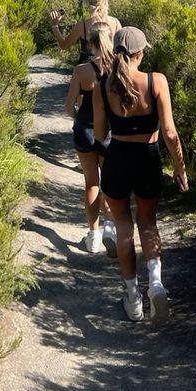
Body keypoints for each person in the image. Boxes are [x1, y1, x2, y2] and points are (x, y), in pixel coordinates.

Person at [93, 26, 188, 324]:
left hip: (117, 159)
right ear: (140, 53)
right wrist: (180, 168)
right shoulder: (156, 81)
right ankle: (156, 285)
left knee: (123, 225)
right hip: (147, 159)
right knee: (148, 223)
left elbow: (99, 133)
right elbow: (170, 133)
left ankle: (132, 297)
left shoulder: (102, 86)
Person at [63, 22, 117, 255]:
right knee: (110, 182)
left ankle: (93, 236)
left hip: (85, 130)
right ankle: (110, 229)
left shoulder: (81, 71)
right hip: (109, 133)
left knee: (91, 182)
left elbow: (68, 107)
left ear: (90, 44)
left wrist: (78, 116)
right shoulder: (118, 68)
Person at [49, 0, 121, 63]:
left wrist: (54, 25)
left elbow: (64, 45)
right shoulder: (115, 23)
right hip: (110, 68)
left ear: (87, 4)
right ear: (105, 1)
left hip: (86, 69)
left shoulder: (82, 26)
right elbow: (121, 48)